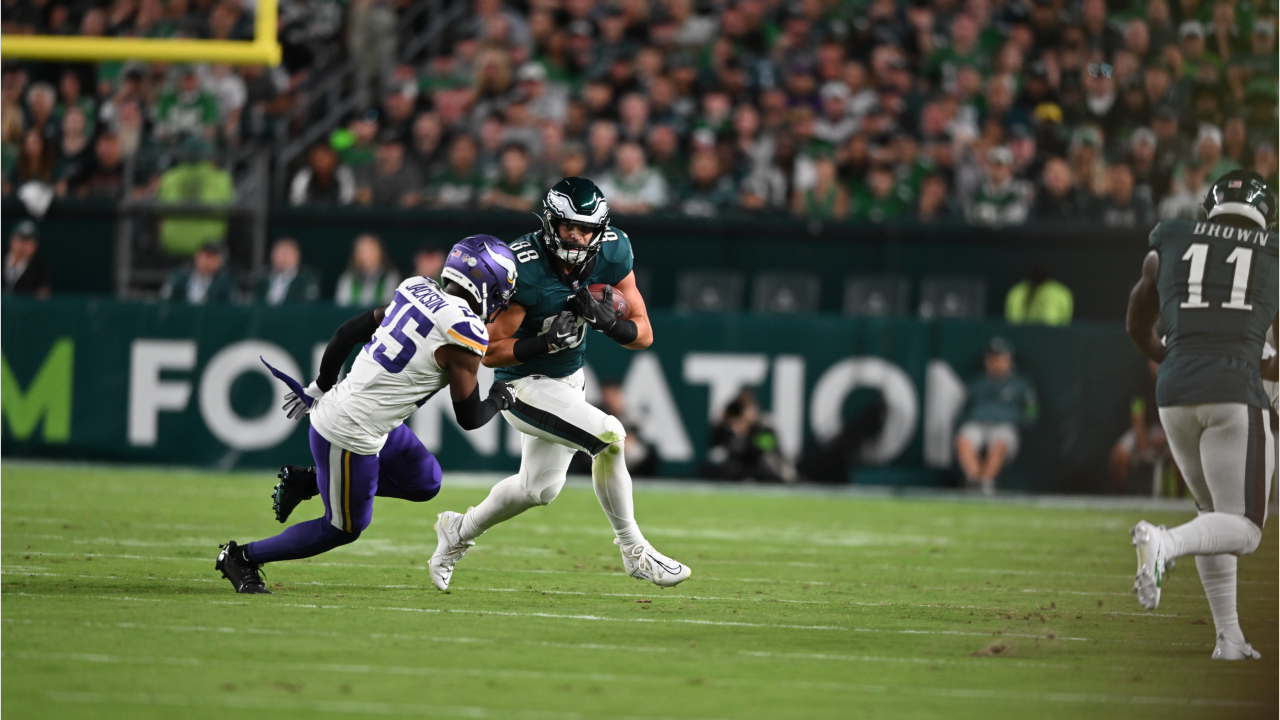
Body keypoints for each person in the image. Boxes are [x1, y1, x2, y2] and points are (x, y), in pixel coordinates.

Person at [215, 236, 519, 593]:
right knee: (343, 528)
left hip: (371, 421)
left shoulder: (416, 288)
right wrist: (503, 395)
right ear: (486, 286)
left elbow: (348, 332)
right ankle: (241, 556)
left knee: (425, 482)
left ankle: (313, 481)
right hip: (349, 432)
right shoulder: (465, 333)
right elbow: (470, 417)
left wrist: (321, 384)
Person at [429, 177, 691, 591]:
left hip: (569, 379)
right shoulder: (525, 270)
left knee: (538, 489)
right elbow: (487, 350)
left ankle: (458, 531)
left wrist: (610, 323)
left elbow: (644, 334)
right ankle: (634, 551)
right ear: (550, 221)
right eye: (568, 225)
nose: (576, 235)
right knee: (609, 435)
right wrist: (543, 342)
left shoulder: (613, 251)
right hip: (523, 384)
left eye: (585, 228)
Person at [1125, 169, 1278, 660]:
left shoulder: (1171, 237)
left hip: (1174, 390)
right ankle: (1164, 543)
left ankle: (1228, 638)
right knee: (1247, 529)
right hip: (1233, 389)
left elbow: (1136, 318)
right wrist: (1252, 361)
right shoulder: (1272, 252)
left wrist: (1170, 351)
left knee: (1213, 515)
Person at [954, 337, 1038, 494]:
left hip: (1005, 426)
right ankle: (974, 481)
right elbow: (961, 410)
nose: (996, 362)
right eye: (992, 358)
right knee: (963, 439)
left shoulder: (1021, 385)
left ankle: (986, 482)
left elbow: (1031, 414)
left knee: (1000, 441)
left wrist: (1014, 419)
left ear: (1009, 360)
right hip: (977, 424)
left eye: (1000, 358)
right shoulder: (976, 383)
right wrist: (965, 419)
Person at [156, 136, 234, 257]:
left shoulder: (169, 177)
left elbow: (160, 212)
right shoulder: (222, 178)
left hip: (173, 247)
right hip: (208, 251)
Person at [700, 390, 792, 482]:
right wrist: (722, 424)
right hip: (739, 471)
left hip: (763, 469)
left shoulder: (764, 428)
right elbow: (713, 446)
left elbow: (768, 452)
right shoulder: (728, 429)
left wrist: (749, 432)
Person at [334, 233, 401, 307]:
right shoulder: (348, 278)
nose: (366, 256)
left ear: (380, 252)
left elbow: (390, 305)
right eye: (361, 251)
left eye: (370, 250)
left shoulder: (390, 277)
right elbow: (342, 305)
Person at [159, 242, 236, 305]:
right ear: (197, 256)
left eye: (213, 258)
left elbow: (230, 306)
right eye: (206, 256)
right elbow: (165, 299)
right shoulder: (180, 277)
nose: (208, 262)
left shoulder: (225, 283)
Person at [252, 237, 320, 305]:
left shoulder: (306, 279)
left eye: (286, 254)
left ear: (297, 256)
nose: (283, 258)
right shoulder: (262, 279)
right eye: (278, 253)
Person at [289, 143, 356, 207]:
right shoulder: (304, 176)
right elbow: (296, 203)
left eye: (325, 158)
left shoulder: (343, 174)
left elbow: (347, 202)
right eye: (318, 159)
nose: (321, 162)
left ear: (334, 159)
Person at [1005, 264, 1074, 325]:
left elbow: (1065, 322)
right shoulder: (1017, 292)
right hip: (1022, 335)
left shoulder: (1060, 293)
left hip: (1052, 336)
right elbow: (1012, 321)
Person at [2, 219, 50, 297]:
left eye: (29, 242)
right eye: (21, 240)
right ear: (12, 240)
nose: (24, 245)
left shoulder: (39, 268)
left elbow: (44, 292)